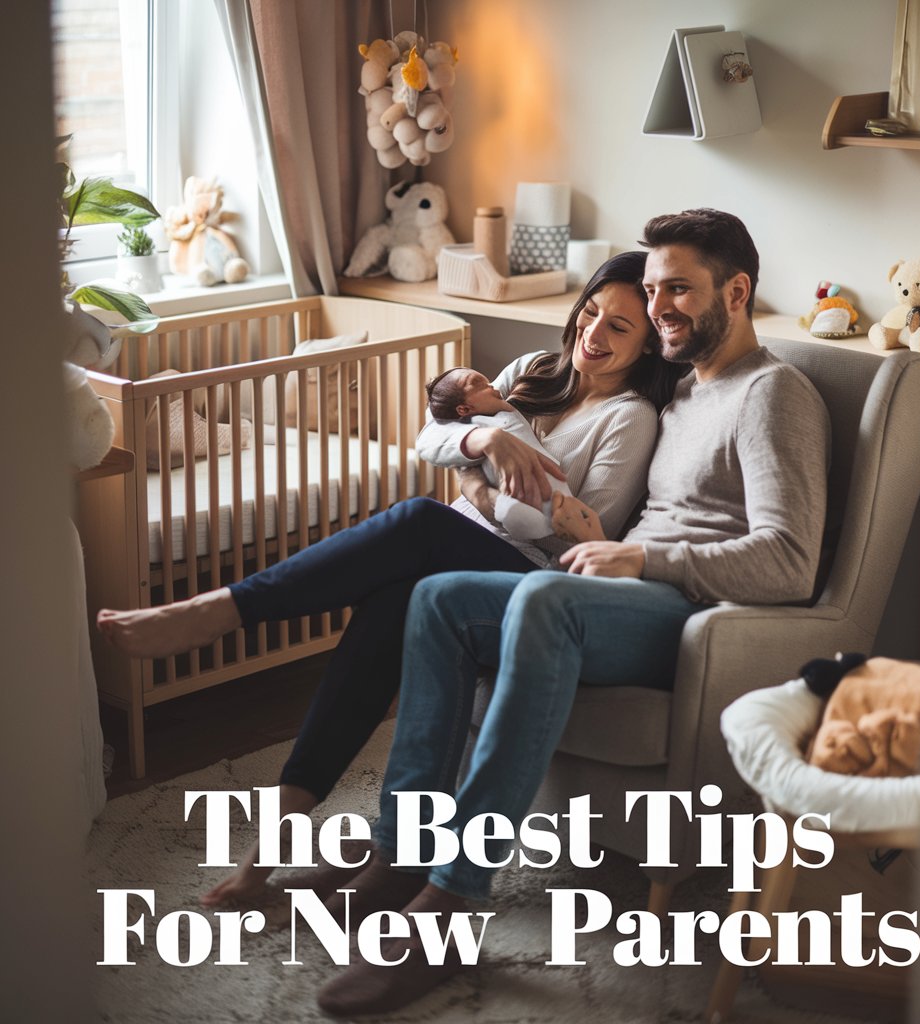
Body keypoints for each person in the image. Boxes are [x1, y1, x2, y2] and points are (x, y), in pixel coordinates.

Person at [315, 209, 832, 1018]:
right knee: (440, 597)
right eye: (654, 288)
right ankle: (401, 853)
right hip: (627, 594)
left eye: (680, 290)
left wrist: (641, 557)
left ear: (736, 292)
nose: (660, 306)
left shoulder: (774, 394)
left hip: (699, 621)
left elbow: (791, 564)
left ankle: (448, 911)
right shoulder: (687, 394)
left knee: (547, 598)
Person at [95, 251, 684, 907]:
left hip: (528, 579)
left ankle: (222, 611)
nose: (593, 335)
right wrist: (482, 447)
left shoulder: (631, 418)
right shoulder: (532, 371)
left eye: (620, 328)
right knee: (386, 607)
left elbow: (571, 530)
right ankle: (265, 858)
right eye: (591, 313)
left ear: (648, 347)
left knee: (416, 520)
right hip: (460, 549)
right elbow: (430, 435)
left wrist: (481, 497)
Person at [423, 366, 573, 540]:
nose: (493, 386)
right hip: (506, 505)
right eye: (479, 384)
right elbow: (432, 426)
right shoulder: (470, 428)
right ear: (463, 409)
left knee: (419, 512)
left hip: (543, 497)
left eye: (487, 382)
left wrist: (473, 488)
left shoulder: (503, 411)